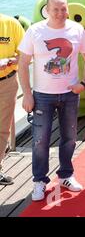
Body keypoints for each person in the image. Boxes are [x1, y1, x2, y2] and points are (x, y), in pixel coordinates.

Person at [18, 0, 85, 201]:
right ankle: (39, 181)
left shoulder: (77, 30)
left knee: (70, 138)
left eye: (63, 9)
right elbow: (23, 63)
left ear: (68, 9)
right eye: (56, 9)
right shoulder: (35, 31)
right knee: (40, 141)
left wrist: (84, 83)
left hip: (70, 94)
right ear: (47, 10)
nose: (60, 13)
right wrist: (26, 94)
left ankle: (66, 175)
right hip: (42, 95)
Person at [0, 14, 25, 185]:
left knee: (3, 128)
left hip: (7, 82)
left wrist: (10, 60)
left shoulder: (11, 24)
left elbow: (25, 54)